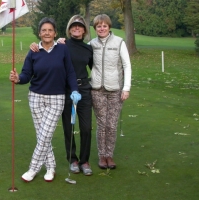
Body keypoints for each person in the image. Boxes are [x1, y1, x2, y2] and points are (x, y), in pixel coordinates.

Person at [9, 17, 82, 183]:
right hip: (35, 97)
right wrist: (18, 78)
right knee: (43, 135)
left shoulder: (62, 49)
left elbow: (70, 72)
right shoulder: (33, 51)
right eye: (44, 30)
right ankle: (50, 167)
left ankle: (33, 168)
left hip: (56, 98)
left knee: (44, 135)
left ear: (55, 33)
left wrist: (75, 90)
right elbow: (26, 75)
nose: (47, 33)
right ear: (39, 33)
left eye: (50, 30)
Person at [30, 15, 94, 176]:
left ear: (84, 29)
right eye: (73, 26)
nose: (76, 28)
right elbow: (47, 51)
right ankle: (72, 159)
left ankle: (84, 161)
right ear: (69, 29)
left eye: (80, 26)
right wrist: (34, 46)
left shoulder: (88, 48)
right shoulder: (62, 45)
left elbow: (94, 69)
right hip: (67, 91)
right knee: (69, 127)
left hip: (84, 91)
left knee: (86, 128)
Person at [89, 14, 131, 170]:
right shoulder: (91, 44)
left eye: (104, 26)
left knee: (111, 125)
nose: (101, 28)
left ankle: (109, 155)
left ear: (109, 27)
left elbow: (127, 65)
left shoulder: (119, 42)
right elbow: (78, 53)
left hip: (115, 90)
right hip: (97, 90)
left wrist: (126, 88)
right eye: (98, 26)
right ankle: (102, 156)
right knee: (102, 124)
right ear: (95, 28)